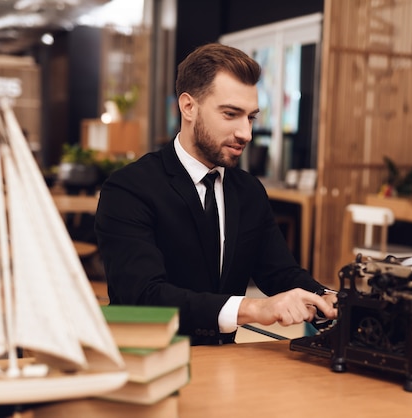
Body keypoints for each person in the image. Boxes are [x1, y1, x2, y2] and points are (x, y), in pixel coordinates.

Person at [95, 43, 337, 345]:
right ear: (188, 107)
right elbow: (144, 295)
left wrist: (324, 298)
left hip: (224, 364)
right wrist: (251, 308)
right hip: (150, 363)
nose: (245, 133)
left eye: (250, 117)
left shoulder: (248, 190)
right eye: (231, 114)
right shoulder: (129, 188)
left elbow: (279, 271)